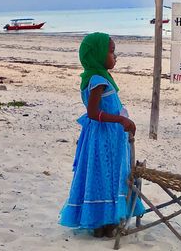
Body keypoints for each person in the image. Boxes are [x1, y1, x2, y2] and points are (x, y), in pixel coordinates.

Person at [59, 32, 144, 237]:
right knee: (107, 175)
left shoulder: (98, 76)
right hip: (104, 137)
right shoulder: (97, 79)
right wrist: (121, 120)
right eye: (111, 51)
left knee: (106, 175)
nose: (115, 57)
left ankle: (105, 222)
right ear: (97, 54)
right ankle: (102, 222)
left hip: (108, 135)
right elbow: (93, 112)